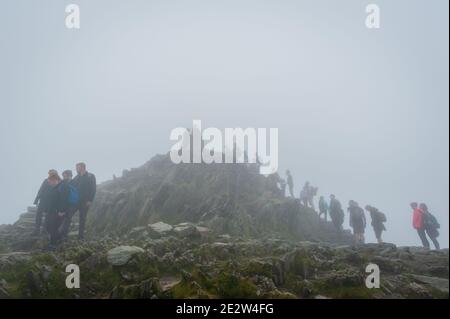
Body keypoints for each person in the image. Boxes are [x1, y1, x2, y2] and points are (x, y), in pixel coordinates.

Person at [71, 163, 96, 240]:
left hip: (85, 201)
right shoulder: (76, 177)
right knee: (68, 216)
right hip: (76, 201)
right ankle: (63, 233)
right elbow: (71, 187)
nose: (76, 169)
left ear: (82, 167)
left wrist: (90, 200)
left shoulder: (91, 176)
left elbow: (93, 188)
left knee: (82, 218)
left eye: (77, 167)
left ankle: (80, 236)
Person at [32, 169, 60, 236]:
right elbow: (41, 190)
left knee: (47, 216)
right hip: (43, 200)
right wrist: (36, 200)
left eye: (51, 173)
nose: (49, 174)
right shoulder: (46, 180)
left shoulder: (58, 181)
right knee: (38, 214)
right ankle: (37, 229)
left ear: (55, 173)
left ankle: (44, 230)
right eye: (49, 173)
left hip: (51, 202)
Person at [57, 170, 78, 241]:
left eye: (64, 176)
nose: (63, 177)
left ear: (69, 175)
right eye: (63, 176)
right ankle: (64, 235)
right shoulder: (75, 182)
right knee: (67, 220)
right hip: (73, 204)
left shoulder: (64, 183)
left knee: (65, 220)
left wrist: (62, 209)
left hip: (67, 204)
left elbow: (63, 197)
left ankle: (60, 236)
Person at [44, 172, 63, 249]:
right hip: (50, 211)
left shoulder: (61, 187)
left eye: (50, 181)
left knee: (53, 228)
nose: (49, 182)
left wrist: (61, 210)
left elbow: (63, 200)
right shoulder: (54, 187)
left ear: (55, 180)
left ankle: (53, 245)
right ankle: (59, 239)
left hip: (56, 211)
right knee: (48, 226)